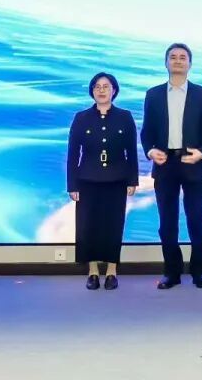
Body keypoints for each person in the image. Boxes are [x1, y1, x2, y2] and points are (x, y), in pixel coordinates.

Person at [141, 43, 202, 290]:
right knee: (167, 222)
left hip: (193, 162)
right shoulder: (153, 94)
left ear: (190, 64)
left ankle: (200, 272)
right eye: (173, 57)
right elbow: (146, 131)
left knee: (197, 220)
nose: (178, 60)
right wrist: (150, 150)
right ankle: (171, 272)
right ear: (166, 63)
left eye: (183, 57)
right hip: (165, 164)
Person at [66, 72, 139, 290]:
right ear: (92, 91)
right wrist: (72, 184)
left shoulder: (125, 117)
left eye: (106, 86)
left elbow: (131, 152)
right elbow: (73, 154)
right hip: (87, 180)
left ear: (114, 90)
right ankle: (93, 272)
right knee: (88, 226)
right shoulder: (81, 118)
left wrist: (132, 180)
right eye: (97, 86)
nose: (101, 90)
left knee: (113, 226)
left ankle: (112, 272)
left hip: (117, 180)